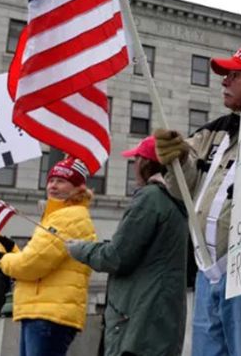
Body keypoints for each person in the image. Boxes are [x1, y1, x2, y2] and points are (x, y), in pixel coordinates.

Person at [152, 46, 241, 356]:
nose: (224, 81)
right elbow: (184, 191)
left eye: (234, 74)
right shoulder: (214, 131)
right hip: (208, 271)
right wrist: (174, 161)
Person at [67, 136, 189, 356]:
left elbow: (116, 257)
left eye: (136, 159)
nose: (133, 165)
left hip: (137, 323)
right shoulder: (174, 201)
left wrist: (80, 249)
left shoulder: (150, 199)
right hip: (159, 322)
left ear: (144, 162)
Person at [0, 156, 97, 356]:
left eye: (62, 181)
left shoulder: (69, 217)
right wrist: (12, 250)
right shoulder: (58, 216)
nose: (53, 186)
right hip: (44, 312)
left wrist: (1, 260)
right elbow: (39, 259)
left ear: (77, 189)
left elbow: (31, 266)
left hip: (49, 315)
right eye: (51, 180)